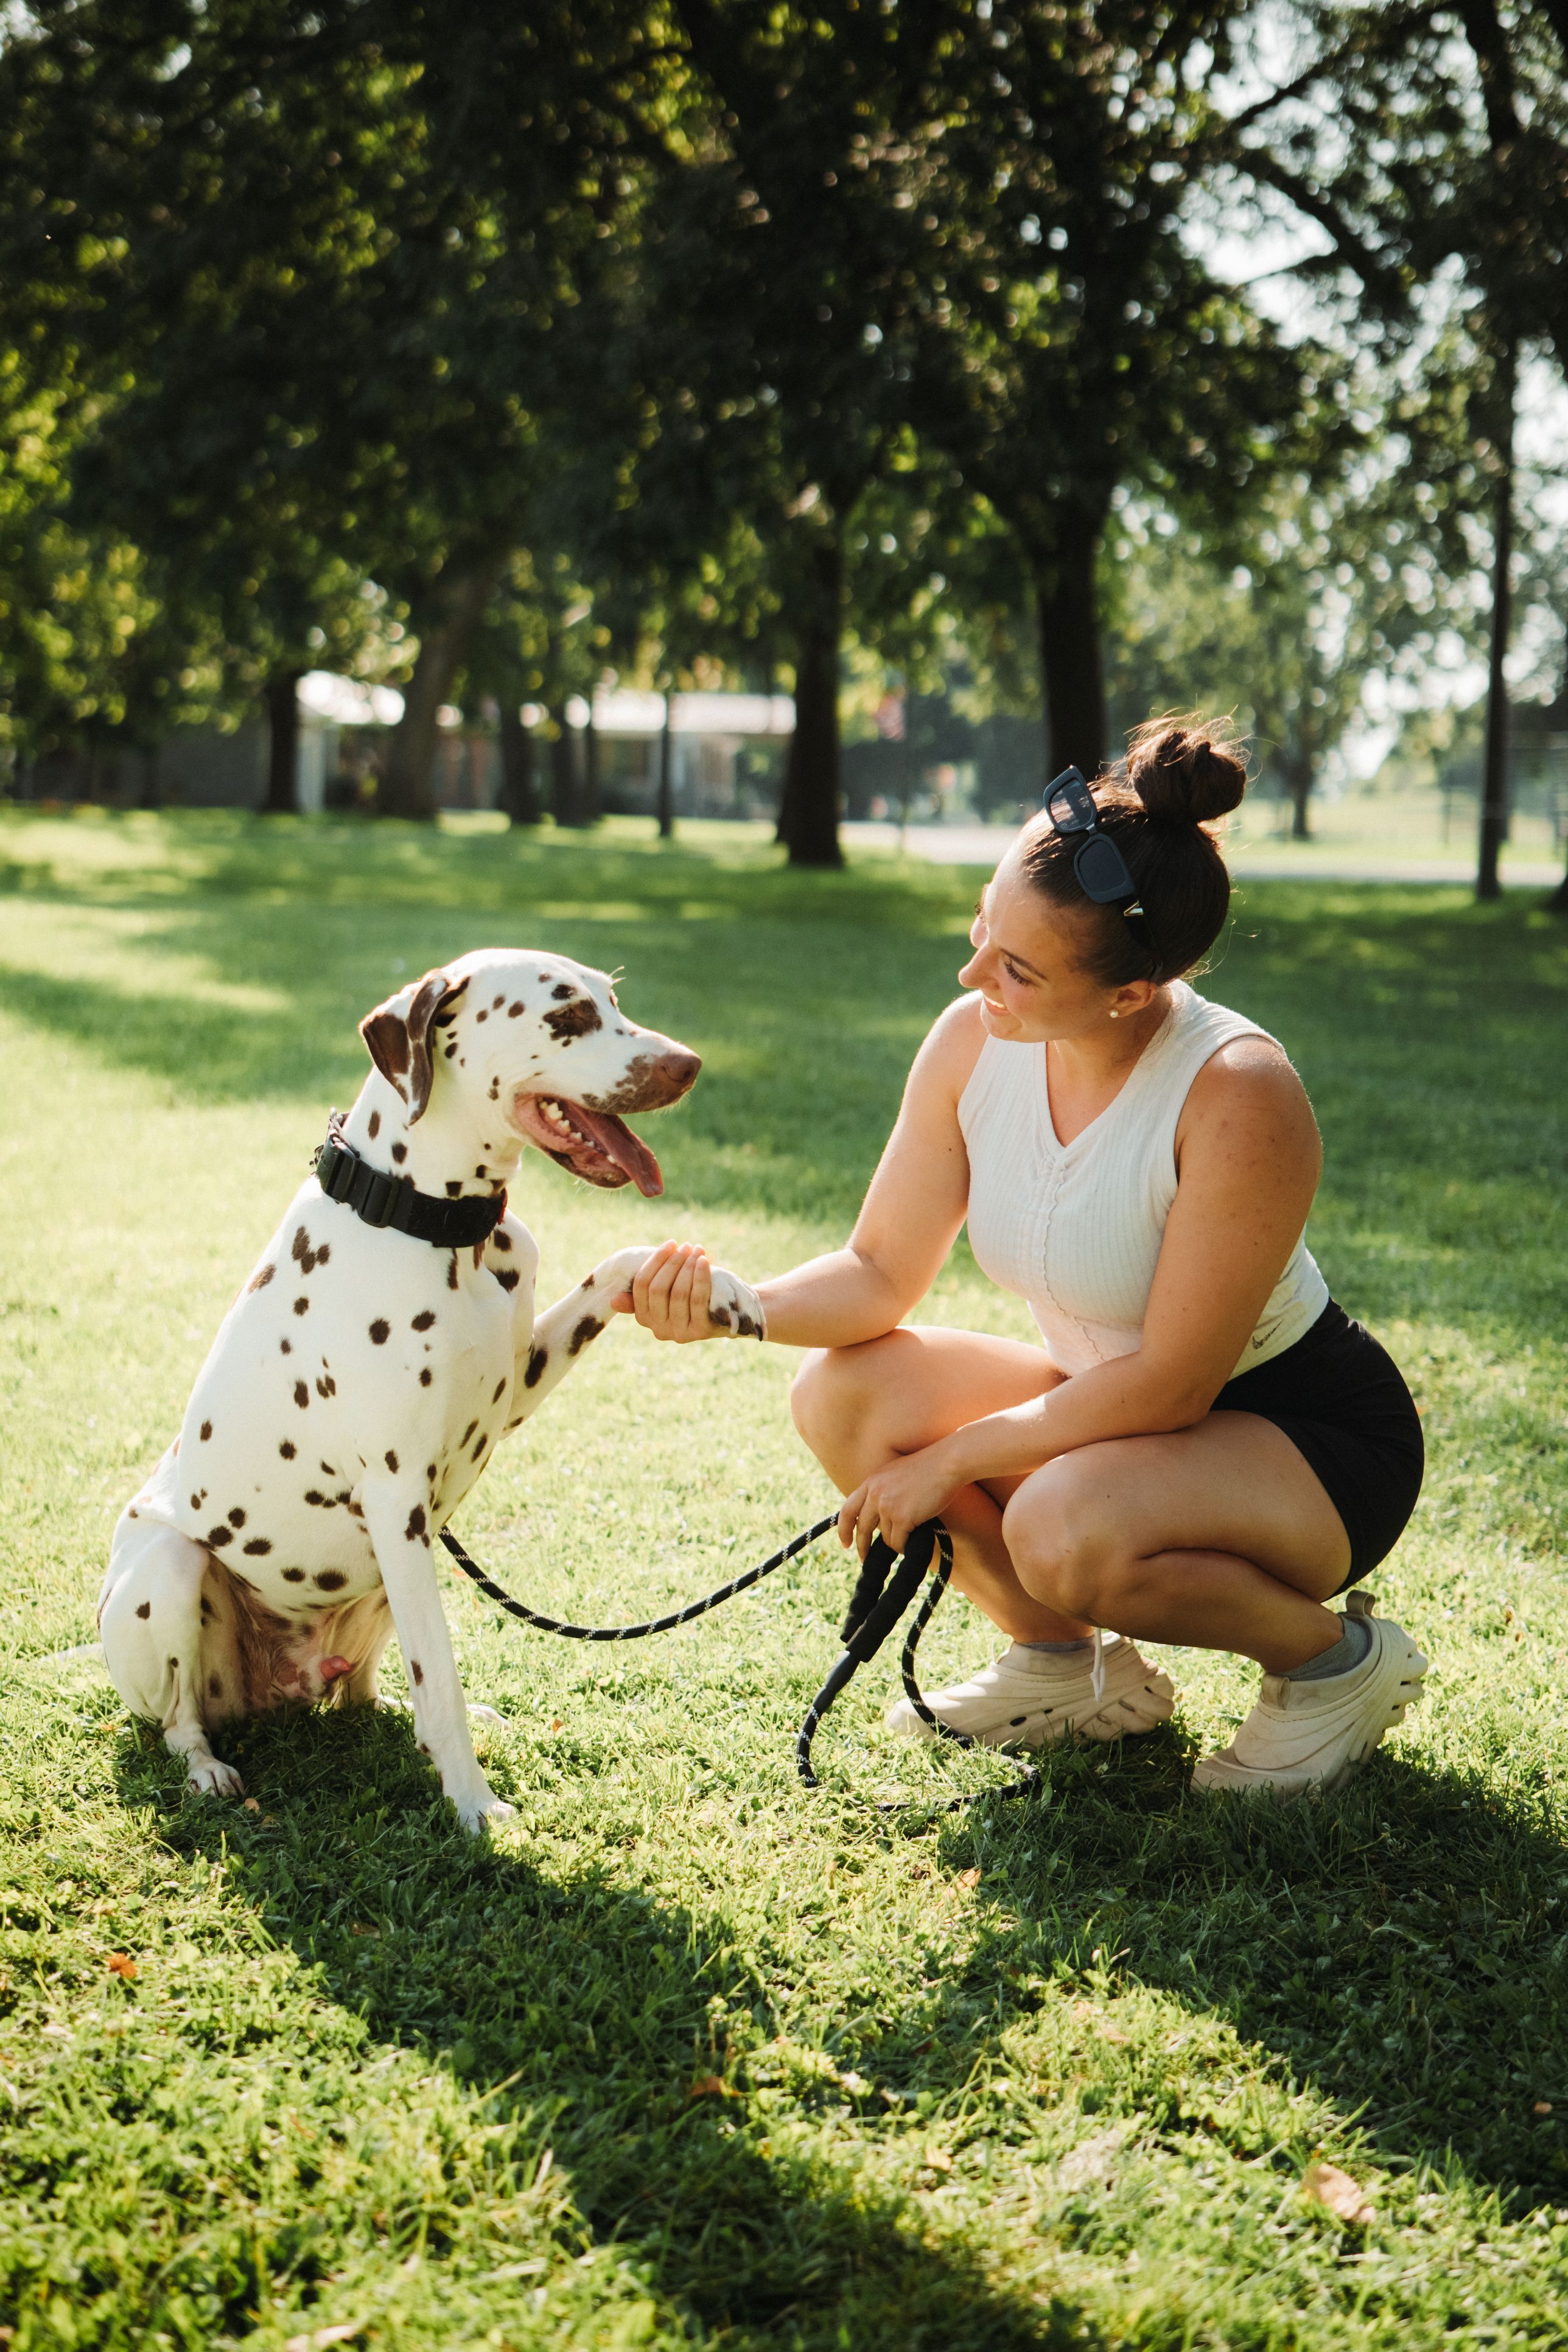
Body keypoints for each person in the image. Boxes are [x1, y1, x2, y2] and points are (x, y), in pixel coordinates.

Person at [618, 719, 1428, 1797]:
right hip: (1114, 1417)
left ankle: (1333, 1665)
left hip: (1308, 1442)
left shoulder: (1238, 1090)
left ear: (1130, 995)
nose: (970, 974)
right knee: (845, 1396)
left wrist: (953, 1460)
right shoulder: (974, 1040)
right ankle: (1068, 1669)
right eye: (979, 932)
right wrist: (731, 1305)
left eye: (1014, 967)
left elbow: (1173, 1385)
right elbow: (877, 1274)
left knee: (1059, 1522)